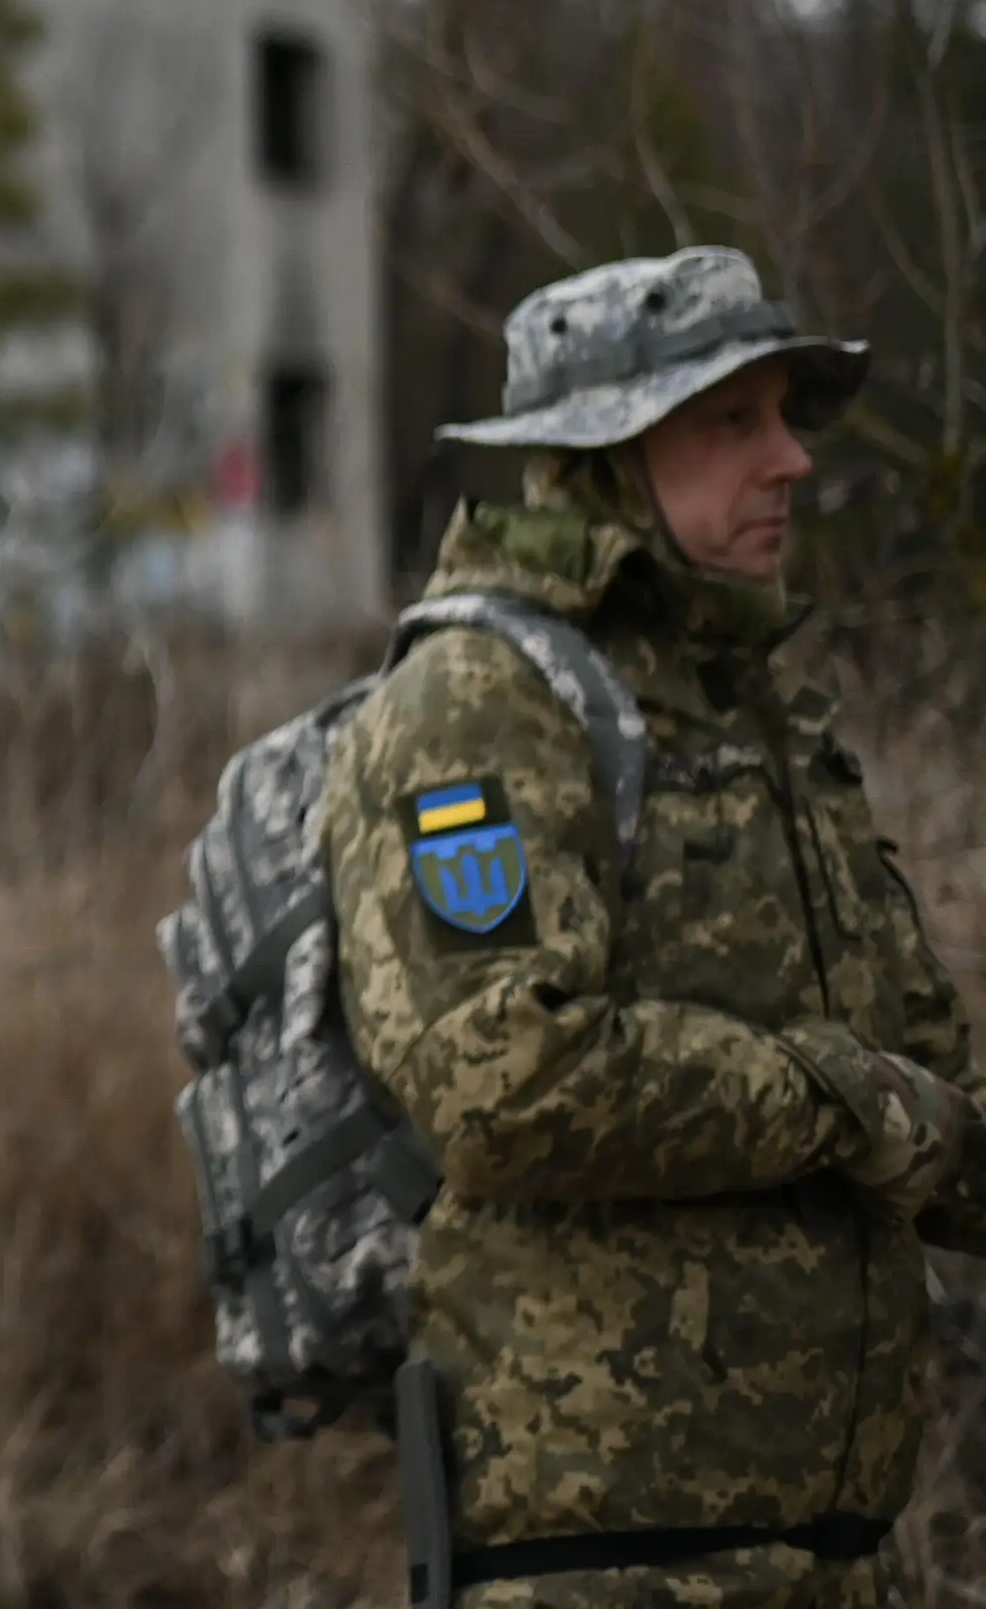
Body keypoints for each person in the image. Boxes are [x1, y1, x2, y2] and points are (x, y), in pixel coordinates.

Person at [330, 246, 986, 1604]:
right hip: (604, 1558)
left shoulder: (763, 714)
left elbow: (927, 1086)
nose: (791, 458)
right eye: (731, 419)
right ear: (604, 456)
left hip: (830, 1554)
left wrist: (910, 1118)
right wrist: (841, 1099)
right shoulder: (482, 699)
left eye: (785, 414)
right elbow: (502, 1075)